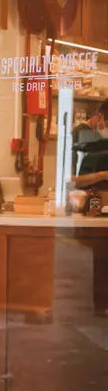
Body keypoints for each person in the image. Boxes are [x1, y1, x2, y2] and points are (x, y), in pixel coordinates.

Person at [73, 102, 108, 317]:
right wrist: (103, 175)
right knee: (102, 254)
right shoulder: (87, 142)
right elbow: (75, 180)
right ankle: (101, 305)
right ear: (100, 117)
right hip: (96, 204)